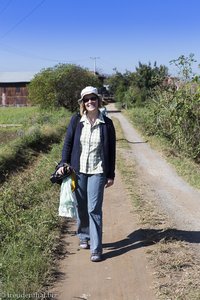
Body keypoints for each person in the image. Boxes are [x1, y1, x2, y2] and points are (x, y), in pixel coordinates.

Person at [57, 86, 116, 262]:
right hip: (78, 171)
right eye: (86, 99)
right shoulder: (76, 121)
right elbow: (68, 144)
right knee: (80, 206)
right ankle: (84, 235)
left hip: (98, 171)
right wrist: (63, 163)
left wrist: (110, 174)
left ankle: (96, 249)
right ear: (83, 103)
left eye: (93, 98)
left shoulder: (107, 124)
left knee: (94, 209)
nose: (90, 102)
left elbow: (111, 150)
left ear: (98, 100)